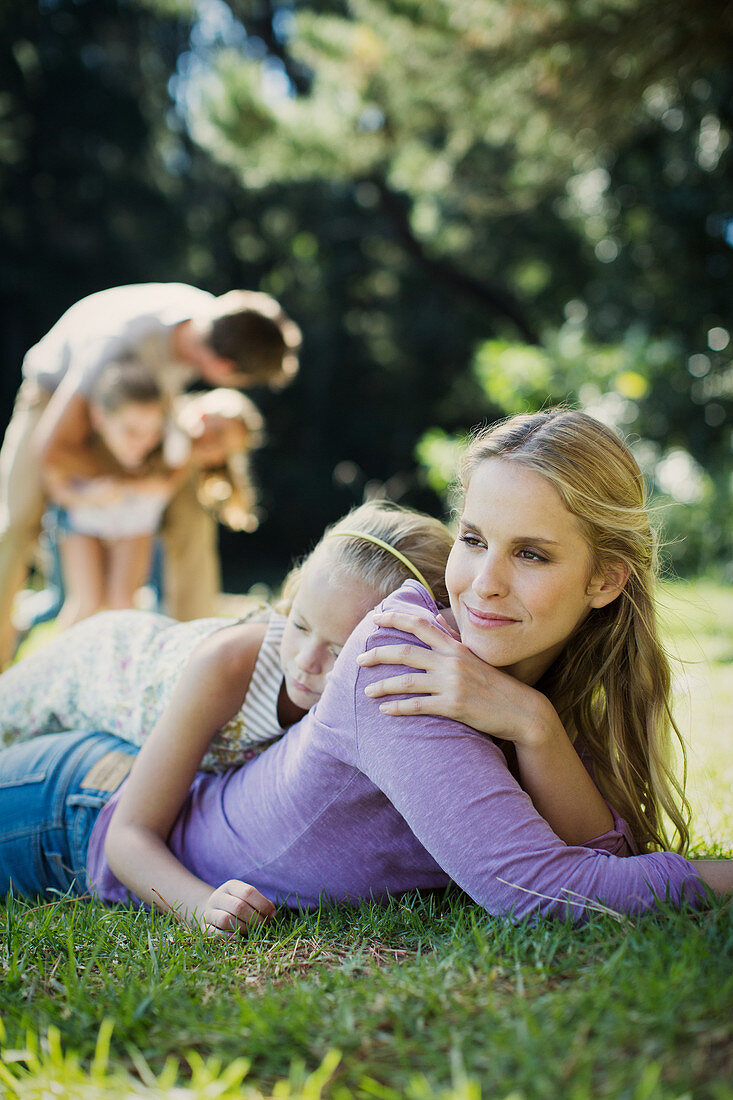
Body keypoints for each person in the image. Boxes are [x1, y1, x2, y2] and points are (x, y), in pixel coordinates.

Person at [1, 410, 731, 932]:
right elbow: (549, 893)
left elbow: (607, 854)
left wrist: (532, 725)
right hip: (74, 811)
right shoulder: (398, 663)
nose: (482, 584)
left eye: (531, 554)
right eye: (472, 540)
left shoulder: (519, 689)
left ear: (604, 581)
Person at [0, 501, 454, 772]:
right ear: (292, 599)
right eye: (298, 625)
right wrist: (200, 905)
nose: (306, 660)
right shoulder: (234, 663)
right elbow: (130, 834)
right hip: (94, 666)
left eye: (338, 650)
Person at [0, 283, 302, 665]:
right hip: (55, 400)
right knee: (17, 524)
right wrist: (137, 484)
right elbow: (54, 448)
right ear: (226, 369)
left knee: (191, 518)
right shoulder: (123, 341)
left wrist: (161, 477)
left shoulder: (217, 324)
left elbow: (265, 321)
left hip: (136, 419)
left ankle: (195, 662)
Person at [42, 362, 185, 629]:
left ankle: (120, 666)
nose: (142, 442)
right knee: (87, 601)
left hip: (135, 524)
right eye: (131, 431)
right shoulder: (78, 446)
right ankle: (65, 666)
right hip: (84, 523)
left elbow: (166, 485)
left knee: (123, 603)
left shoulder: (170, 446)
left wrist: (128, 488)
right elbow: (57, 487)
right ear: (99, 418)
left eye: (152, 432)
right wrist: (88, 497)